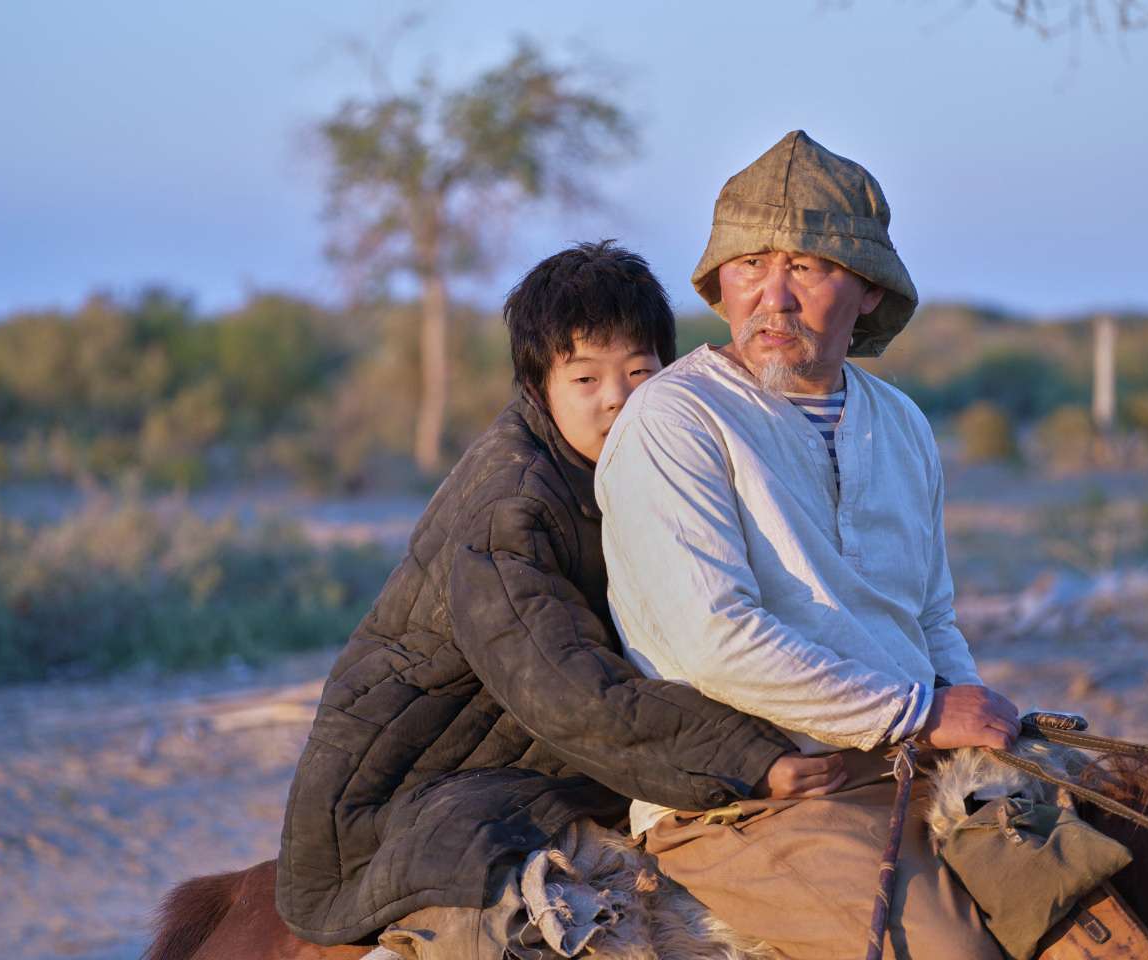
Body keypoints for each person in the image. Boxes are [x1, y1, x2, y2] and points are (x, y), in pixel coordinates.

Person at [275, 241, 841, 959]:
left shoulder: (648, 464)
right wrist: (747, 755)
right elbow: (562, 682)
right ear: (539, 386)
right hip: (412, 791)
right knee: (542, 918)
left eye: (640, 372)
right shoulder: (512, 503)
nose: (618, 398)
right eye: (585, 378)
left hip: (536, 749)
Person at [595, 132, 1022, 959]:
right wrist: (922, 712)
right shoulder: (676, 421)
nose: (774, 296)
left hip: (901, 765)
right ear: (719, 285)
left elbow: (929, 615)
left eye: (809, 266)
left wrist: (972, 722)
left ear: (867, 291)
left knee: (1108, 895)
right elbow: (714, 641)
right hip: (748, 798)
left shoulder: (900, 424)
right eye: (750, 264)